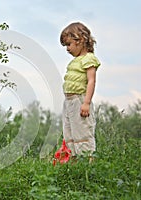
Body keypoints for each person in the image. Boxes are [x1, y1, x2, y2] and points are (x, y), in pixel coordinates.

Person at [60, 22, 101, 159]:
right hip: (68, 102)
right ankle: (73, 162)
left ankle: (87, 162)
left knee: (82, 133)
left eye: (69, 44)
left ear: (80, 40)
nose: (67, 49)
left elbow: (91, 81)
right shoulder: (75, 61)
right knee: (69, 134)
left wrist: (86, 103)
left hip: (80, 100)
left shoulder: (89, 58)